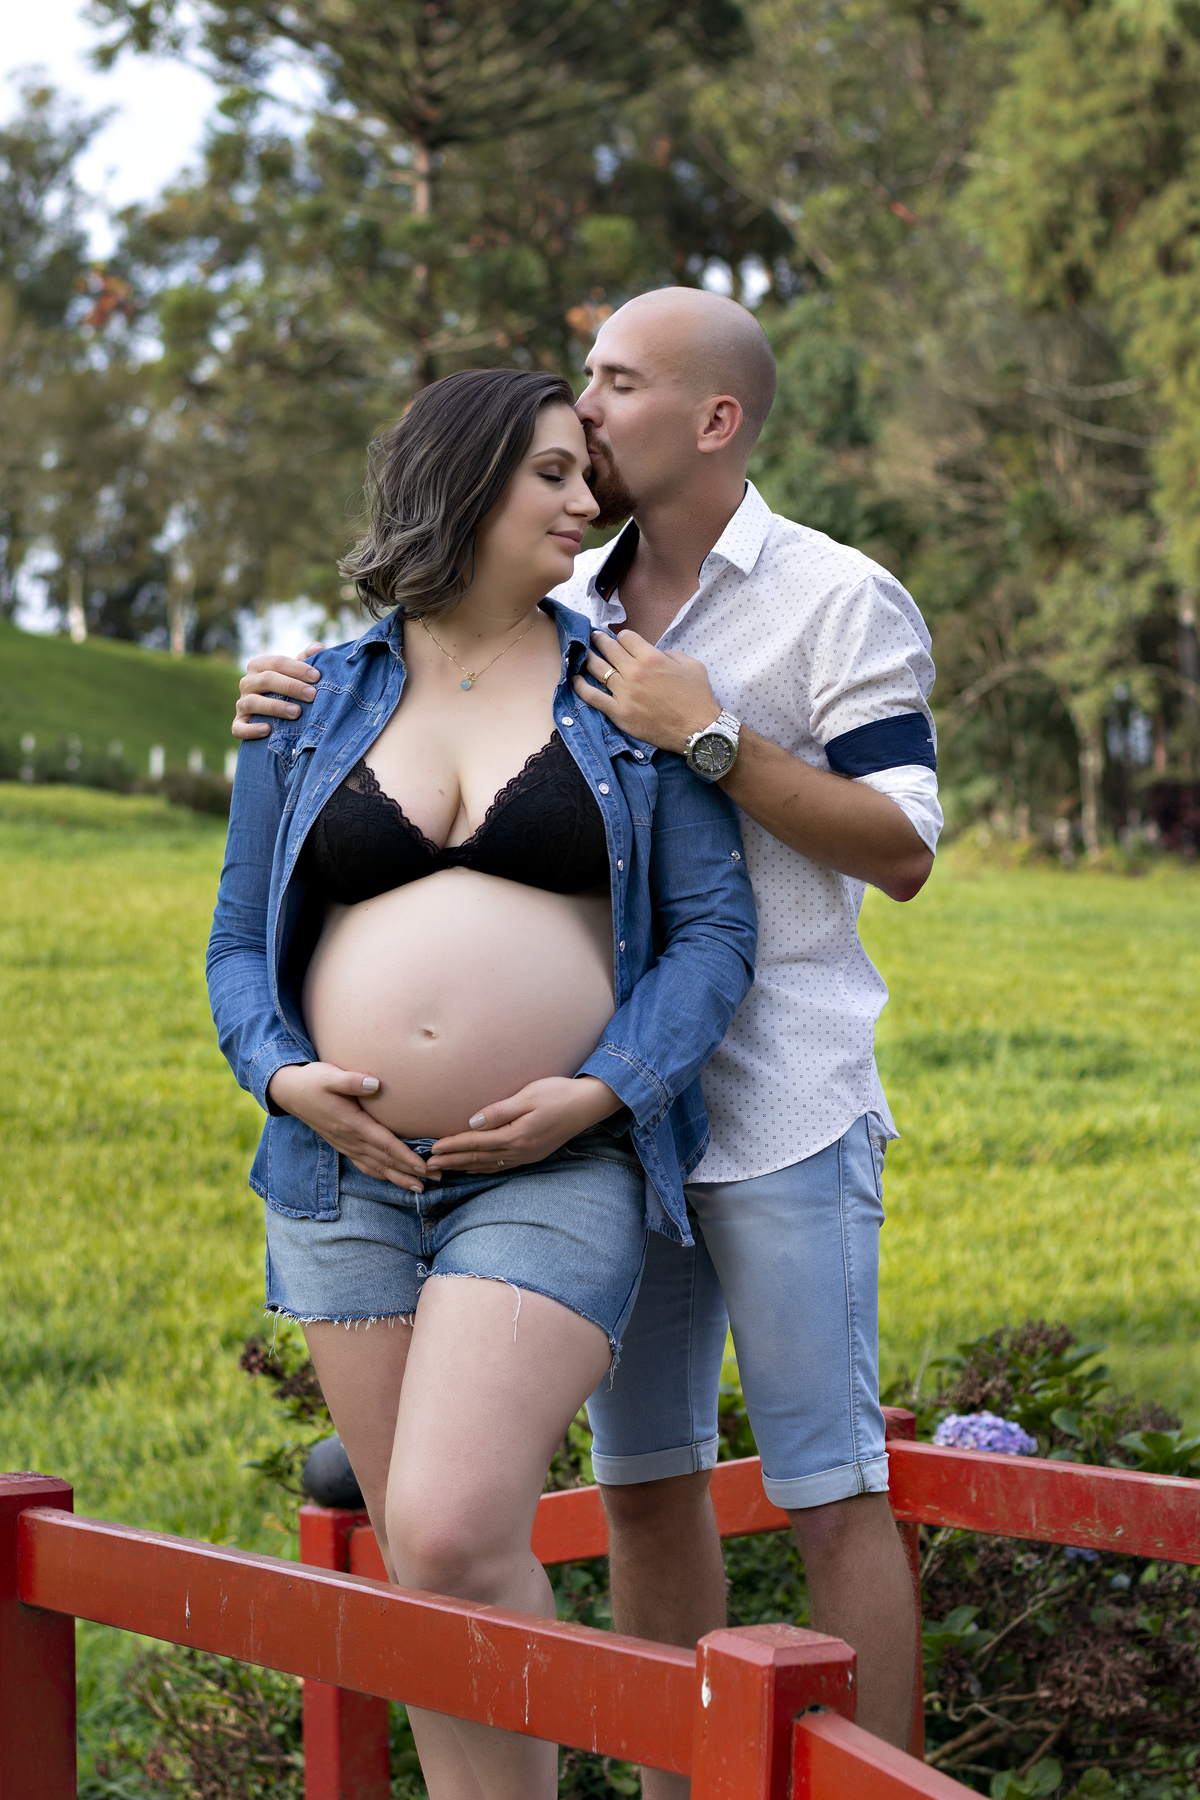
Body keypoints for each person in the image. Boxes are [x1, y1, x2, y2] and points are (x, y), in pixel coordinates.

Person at [233, 288, 942, 1784]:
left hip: (761, 1100)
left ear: (713, 418)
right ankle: (675, 1778)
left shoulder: (813, 605)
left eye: (614, 389)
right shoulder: (553, 615)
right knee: (643, 1484)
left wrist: (710, 734)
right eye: (566, 424)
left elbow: (893, 852)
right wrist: (283, 1061)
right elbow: (259, 913)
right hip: (541, 1140)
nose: (592, 424)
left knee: (828, 1481)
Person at [207, 365, 757, 1800]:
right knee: (423, 1566)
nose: (591, 500)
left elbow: (712, 936)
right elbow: (233, 948)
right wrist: (283, 1081)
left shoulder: (620, 687)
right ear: (460, 485)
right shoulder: (314, 698)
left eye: (590, 472)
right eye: (555, 473)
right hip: (345, 1180)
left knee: (448, 1530)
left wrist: (605, 1091)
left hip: (556, 1163)